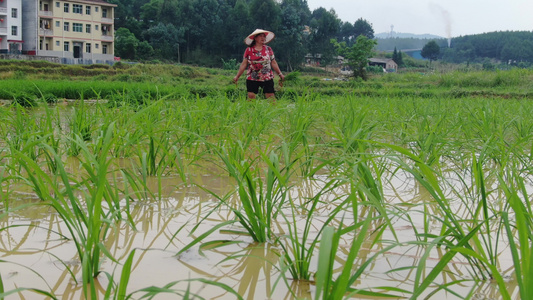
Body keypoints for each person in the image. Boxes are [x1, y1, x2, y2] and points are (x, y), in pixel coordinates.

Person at [233, 29, 285, 100]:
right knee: (251, 97)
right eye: (261, 36)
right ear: (255, 38)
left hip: (267, 77)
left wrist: (280, 74)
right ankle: (251, 111)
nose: (263, 38)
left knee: (270, 97)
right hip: (252, 77)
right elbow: (244, 64)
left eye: (264, 36)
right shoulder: (249, 50)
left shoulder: (268, 49)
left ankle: (274, 111)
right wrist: (237, 76)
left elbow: (273, 62)